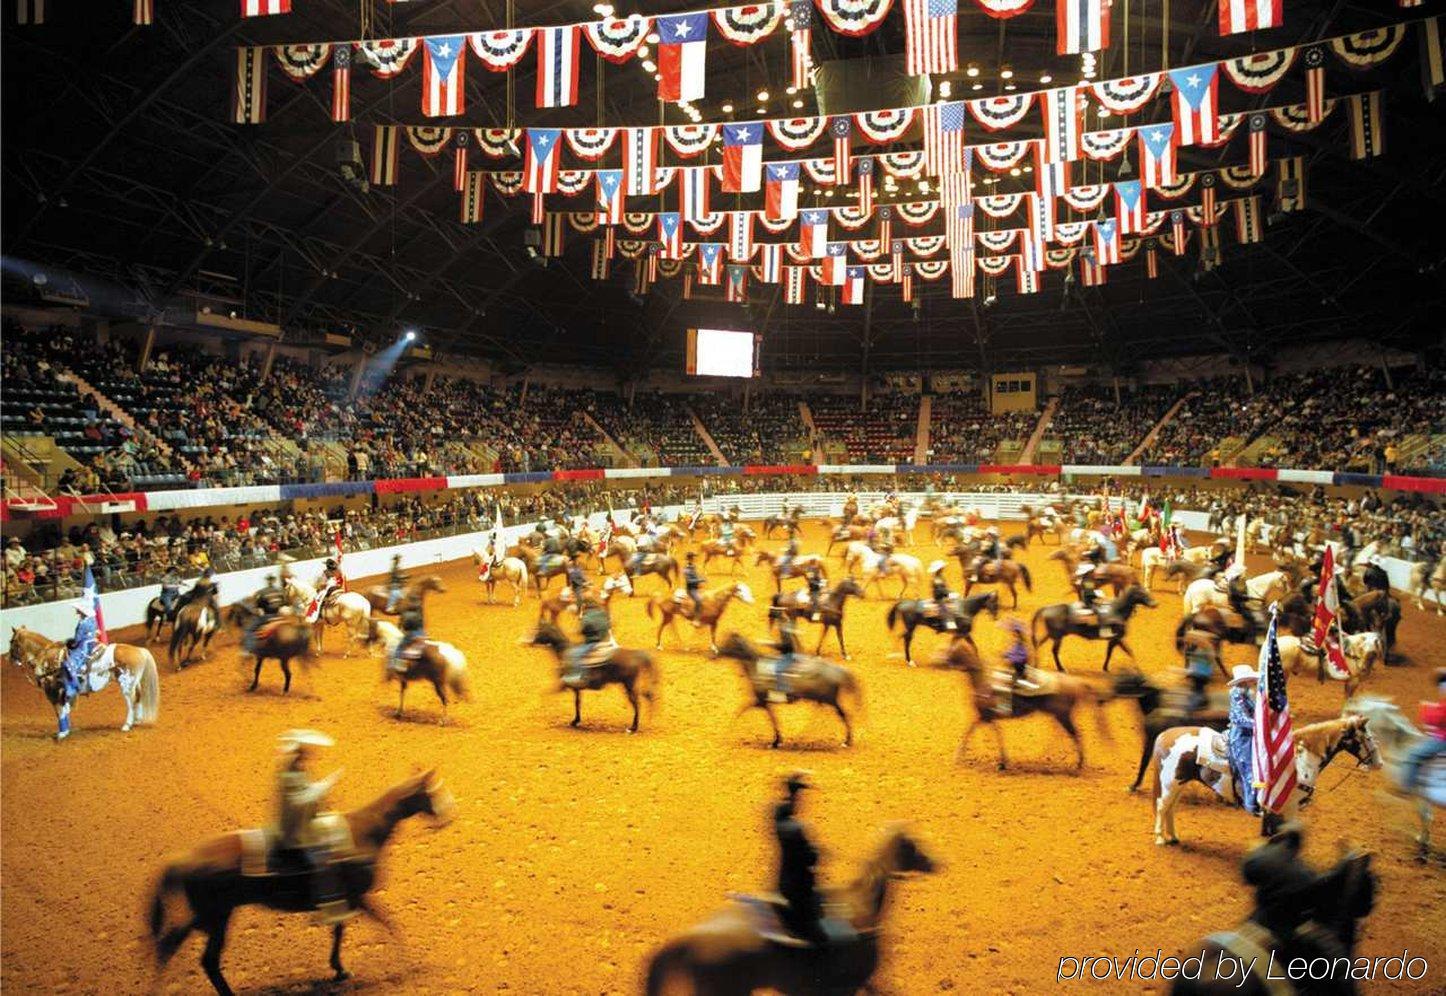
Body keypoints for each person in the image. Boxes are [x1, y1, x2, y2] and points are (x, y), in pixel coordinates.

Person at [272, 729, 347, 922]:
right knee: (323, 859)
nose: (311, 753)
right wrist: (327, 784)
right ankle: (326, 908)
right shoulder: (290, 773)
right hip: (295, 830)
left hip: (304, 821)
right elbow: (300, 800)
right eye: (307, 750)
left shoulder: (297, 768)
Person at [1400, 669, 1446, 792]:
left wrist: (1425, 709)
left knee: (1413, 755)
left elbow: (1439, 718)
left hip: (1443, 738)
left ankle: (1406, 788)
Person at [1227, 665, 1262, 816]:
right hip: (1241, 736)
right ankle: (1251, 805)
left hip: (1250, 733)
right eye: (1250, 680)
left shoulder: (1246, 694)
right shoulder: (1237, 694)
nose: (1252, 682)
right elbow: (1240, 718)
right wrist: (1259, 724)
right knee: (1249, 770)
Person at [565, 605, 613, 688]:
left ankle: (577, 676)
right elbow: (610, 624)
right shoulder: (602, 613)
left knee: (574, 653)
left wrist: (575, 632)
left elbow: (582, 631)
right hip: (607, 640)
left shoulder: (586, 618)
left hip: (594, 643)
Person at [62, 602, 100, 703]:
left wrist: (70, 644)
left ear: (82, 611)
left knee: (68, 664)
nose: (76, 610)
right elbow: (97, 632)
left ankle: (73, 689)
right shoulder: (92, 620)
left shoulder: (82, 623)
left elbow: (77, 639)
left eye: (78, 609)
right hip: (94, 643)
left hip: (84, 647)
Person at [246, 574, 287, 657]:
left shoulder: (262, 592)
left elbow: (258, 606)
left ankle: (250, 649)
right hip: (279, 616)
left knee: (249, 629)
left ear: (267, 581)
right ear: (274, 581)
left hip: (268, 616)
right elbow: (285, 603)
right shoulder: (280, 591)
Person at [1181, 627, 1219, 712]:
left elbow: (1209, 660)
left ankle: (1192, 708)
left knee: (1197, 691)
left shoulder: (1206, 649)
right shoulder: (1200, 648)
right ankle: (1204, 702)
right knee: (1198, 689)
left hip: (1201, 674)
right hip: (1199, 673)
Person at [1074, 562, 1115, 637]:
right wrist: (1102, 599)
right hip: (1088, 602)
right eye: (1092, 571)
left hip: (1085, 599)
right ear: (1088, 572)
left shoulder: (1084, 580)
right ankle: (1105, 631)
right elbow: (1091, 595)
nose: (1093, 572)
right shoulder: (1088, 582)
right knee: (1104, 611)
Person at [390, 594, 426, 674]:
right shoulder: (419, 610)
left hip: (411, 633)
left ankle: (400, 667)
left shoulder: (405, 613)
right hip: (421, 632)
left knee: (398, 648)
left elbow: (404, 626)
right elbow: (422, 622)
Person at [1001, 618, 1034, 690]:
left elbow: (1020, 656)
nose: (1013, 635)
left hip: (1020, 668)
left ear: (1018, 634)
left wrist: (1009, 658)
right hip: (1018, 665)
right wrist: (1006, 654)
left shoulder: (1020, 644)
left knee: (1014, 681)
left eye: (1014, 633)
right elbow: (1013, 652)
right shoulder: (1018, 643)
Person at [928, 560, 956, 631]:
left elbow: (944, 588)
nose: (943, 569)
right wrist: (949, 593)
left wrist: (950, 592)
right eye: (942, 568)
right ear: (939, 569)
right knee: (944, 608)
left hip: (942, 595)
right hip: (939, 597)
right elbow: (940, 590)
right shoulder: (938, 580)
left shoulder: (940, 577)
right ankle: (948, 624)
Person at [683, 552, 706, 627]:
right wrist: (700, 580)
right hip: (691, 589)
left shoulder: (693, 567)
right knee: (699, 600)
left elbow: (695, 576)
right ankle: (696, 620)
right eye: (693, 557)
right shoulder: (686, 570)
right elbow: (689, 581)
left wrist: (700, 580)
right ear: (690, 558)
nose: (695, 558)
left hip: (696, 587)